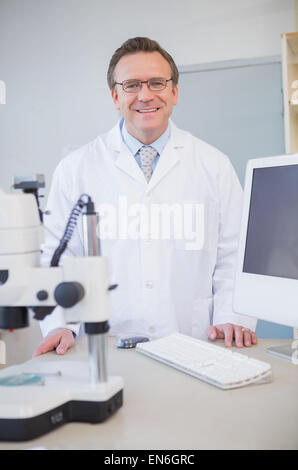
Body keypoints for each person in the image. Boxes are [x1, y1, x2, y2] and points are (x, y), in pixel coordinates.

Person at [34, 37, 257, 357]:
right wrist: (60, 324)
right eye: (132, 85)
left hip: (196, 342)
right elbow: (58, 256)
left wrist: (231, 317)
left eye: (157, 83)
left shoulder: (213, 165)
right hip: (105, 345)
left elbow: (235, 252)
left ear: (174, 92)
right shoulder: (76, 169)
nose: (145, 95)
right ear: (115, 96)